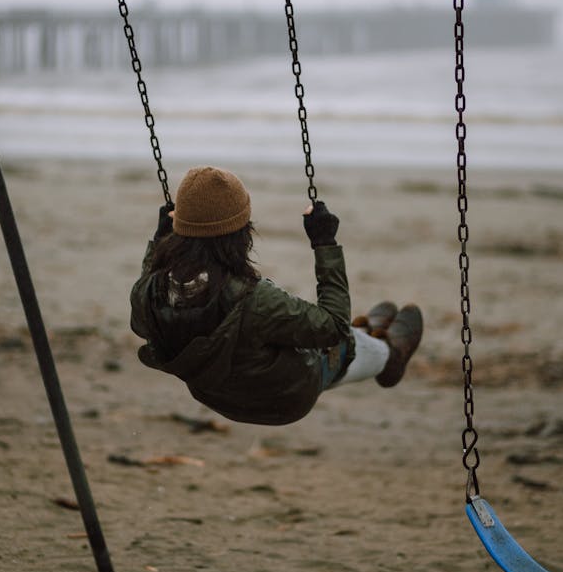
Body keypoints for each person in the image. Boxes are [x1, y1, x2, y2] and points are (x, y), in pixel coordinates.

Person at [130, 166, 423, 426]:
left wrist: (159, 242)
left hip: (217, 396)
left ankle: (368, 334)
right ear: (241, 232)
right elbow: (333, 327)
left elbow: (141, 320)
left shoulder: (151, 290)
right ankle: (389, 354)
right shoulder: (252, 299)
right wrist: (325, 244)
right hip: (284, 399)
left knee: (278, 330)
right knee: (339, 341)